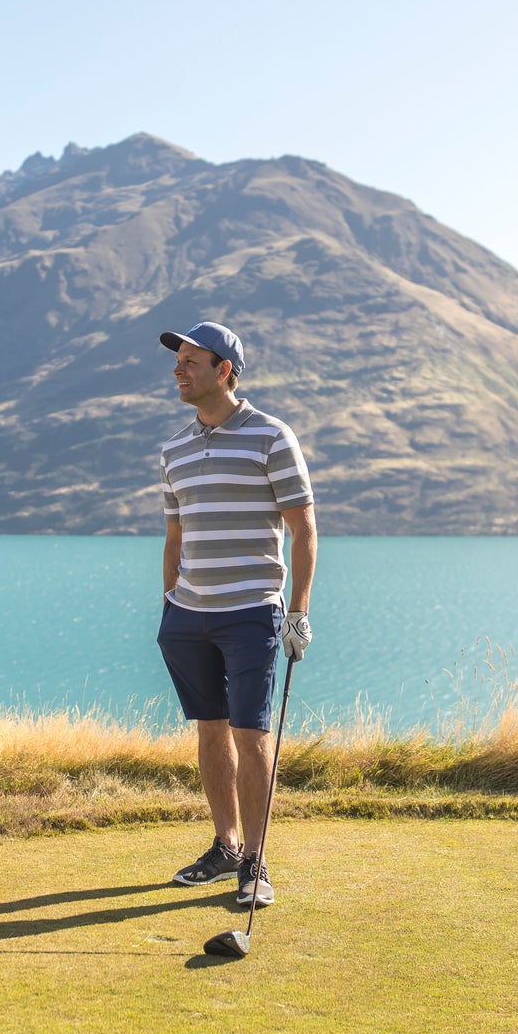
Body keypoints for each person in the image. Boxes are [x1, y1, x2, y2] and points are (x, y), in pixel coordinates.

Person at [156, 321, 316, 907]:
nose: (179, 370)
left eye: (192, 361)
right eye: (179, 361)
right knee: (210, 730)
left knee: (251, 734)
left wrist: (296, 612)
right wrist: (169, 601)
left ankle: (255, 859)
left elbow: (302, 528)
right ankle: (225, 847)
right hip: (187, 617)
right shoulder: (173, 447)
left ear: (226, 370)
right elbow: (174, 537)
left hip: (251, 613)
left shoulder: (271, 437)